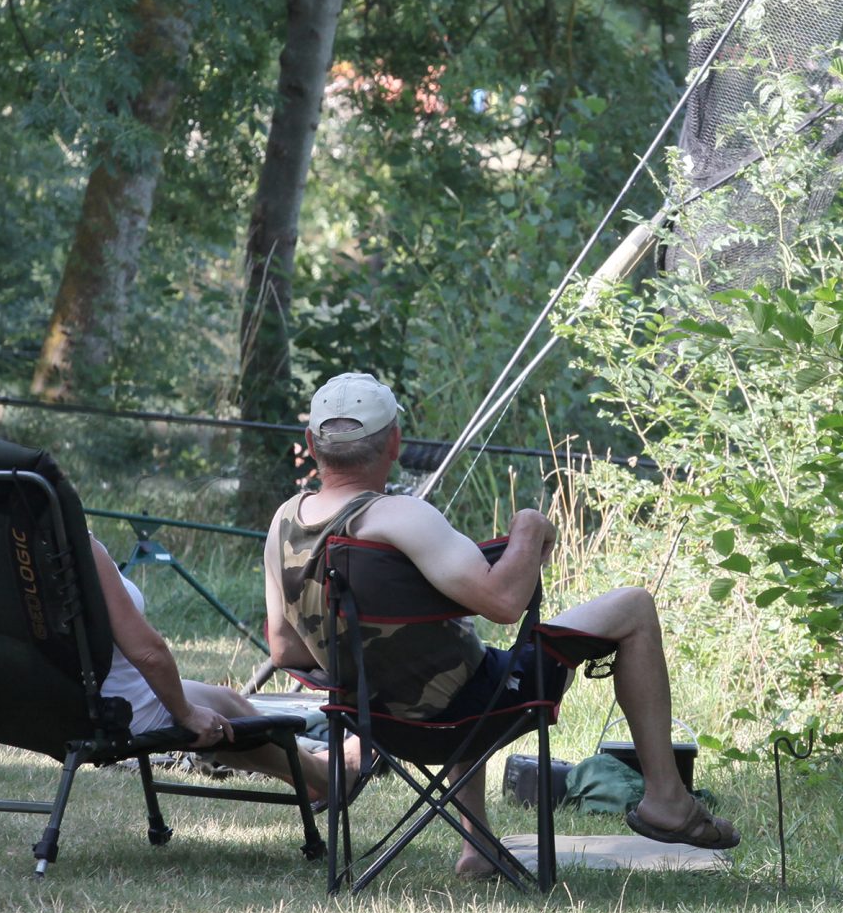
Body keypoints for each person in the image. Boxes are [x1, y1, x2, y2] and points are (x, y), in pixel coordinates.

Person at [262, 371, 736, 877]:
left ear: (312, 444)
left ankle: (477, 847)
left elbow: (285, 651)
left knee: (459, 662)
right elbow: (506, 603)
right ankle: (666, 796)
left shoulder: (284, 522)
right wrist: (529, 527)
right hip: (468, 715)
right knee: (634, 606)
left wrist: (375, 668)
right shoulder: (402, 518)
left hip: (373, 720)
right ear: (395, 443)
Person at [88, 532, 357, 797]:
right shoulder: (80, 545)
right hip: (115, 711)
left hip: (59, 715)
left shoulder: (47, 548)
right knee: (225, 708)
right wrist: (186, 714)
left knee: (219, 705)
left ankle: (306, 774)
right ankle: (327, 776)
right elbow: (149, 654)